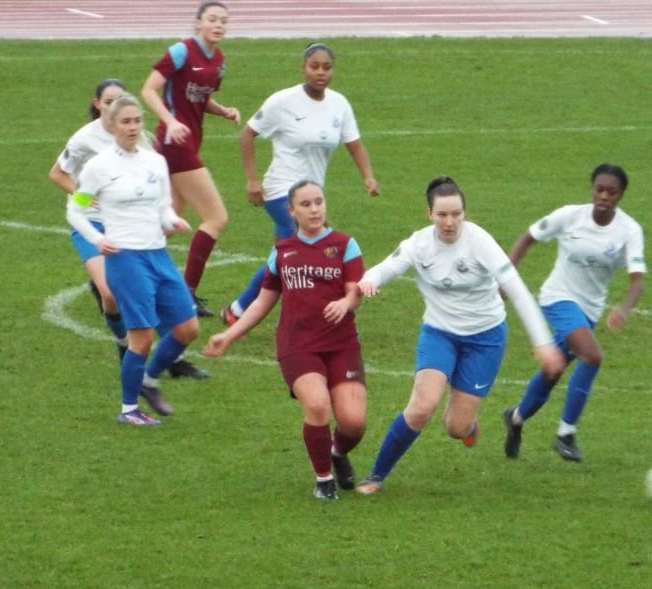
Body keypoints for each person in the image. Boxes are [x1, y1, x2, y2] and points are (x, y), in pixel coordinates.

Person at [354, 176, 566, 495]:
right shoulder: (419, 244)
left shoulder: (481, 243)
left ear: (465, 213)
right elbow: (386, 267)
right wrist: (369, 280)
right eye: (442, 215)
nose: (450, 222)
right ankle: (375, 476)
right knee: (422, 406)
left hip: (485, 340)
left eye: (456, 214)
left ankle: (468, 424)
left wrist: (543, 343)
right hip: (439, 334)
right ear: (430, 214)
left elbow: (517, 289)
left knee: (456, 428)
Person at [203, 180, 367, 501]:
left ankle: (335, 452)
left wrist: (345, 304)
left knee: (353, 423)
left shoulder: (345, 244)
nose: (315, 209)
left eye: (319, 202)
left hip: (342, 343)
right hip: (297, 344)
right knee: (318, 406)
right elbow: (264, 301)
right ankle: (323, 480)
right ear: (291, 211)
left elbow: (355, 291)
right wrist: (230, 334)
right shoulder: (282, 252)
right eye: (305, 204)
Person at [49, 78, 208, 380]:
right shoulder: (84, 138)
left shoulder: (137, 137)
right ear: (98, 105)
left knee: (152, 290)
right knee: (111, 295)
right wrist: (85, 196)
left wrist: (166, 217)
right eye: (108, 102)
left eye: (119, 101)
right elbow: (57, 174)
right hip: (95, 224)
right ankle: (124, 345)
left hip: (132, 228)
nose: (114, 107)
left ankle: (176, 360)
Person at [219, 42, 380, 326]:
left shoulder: (339, 104)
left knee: (282, 258)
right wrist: (252, 180)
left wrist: (368, 176)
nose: (320, 72)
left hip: (311, 194)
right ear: (303, 68)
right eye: (314, 66)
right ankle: (314, 312)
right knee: (310, 244)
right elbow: (247, 135)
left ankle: (238, 310)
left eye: (326, 67)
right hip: (281, 190)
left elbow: (354, 144)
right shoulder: (283, 101)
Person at [502, 163, 646, 462]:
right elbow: (527, 238)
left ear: (621, 195)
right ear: (592, 189)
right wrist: (508, 277)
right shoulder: (569, 216)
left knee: (553, 370)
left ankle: (515, 418)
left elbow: (637, 280)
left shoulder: (629, 231)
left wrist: (624, 308)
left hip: (589, 310)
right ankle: (565, 433)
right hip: (558, 297)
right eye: (600, 189)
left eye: (612, 192)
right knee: (592, 356)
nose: (604, 196)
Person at [141, 0, 241, 318]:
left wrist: (223, 111)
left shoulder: (219, 61)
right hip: (175, 146)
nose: (218, 25)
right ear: (198, 23)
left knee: (169, 220)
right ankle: (186, 293)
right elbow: (149, 89)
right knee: (216, 218)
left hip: (188, 144)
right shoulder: (181, 51)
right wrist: (170, 121)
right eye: (212, 19)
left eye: (223, 21)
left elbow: (201, 97)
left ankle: (128, 273)